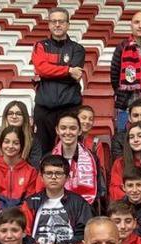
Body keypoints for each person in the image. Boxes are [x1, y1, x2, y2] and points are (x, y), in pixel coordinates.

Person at [21, 154, 96, 244]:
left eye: (59, 173)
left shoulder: (79, 202)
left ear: (67, 177)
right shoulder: (31, 202)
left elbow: (86, 233)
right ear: (41, 177)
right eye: (49, 173)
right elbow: (23, 232)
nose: (53, 177)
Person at [32, 6, 86, 150]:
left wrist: (49, 73)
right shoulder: (40, 46)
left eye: (61, 21)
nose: (57, 25)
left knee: (70, 150)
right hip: (44, 110)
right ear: (49, 24)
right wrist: (67, 70)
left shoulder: (78, 49)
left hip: (70, 109)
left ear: (68, 25)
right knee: (42, 151)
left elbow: (75, 76)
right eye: (54, 21)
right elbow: (41, 69)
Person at [0, 126, 43, 226]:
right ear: (1, 144)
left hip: (20, 215)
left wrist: (17, 213)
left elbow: (30, 201)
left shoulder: (31, 171)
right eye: (6, 142)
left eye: (16, 143)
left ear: (22, 146)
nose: (10, 146)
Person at [46, 110, 102, 205]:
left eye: (72, 128)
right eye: (63, 128)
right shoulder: (48, 158)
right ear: (57, 130)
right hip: (54, 209)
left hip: (85, 210)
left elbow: (98, 192)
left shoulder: (93, 158)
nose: (68, 132)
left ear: (79, 131)